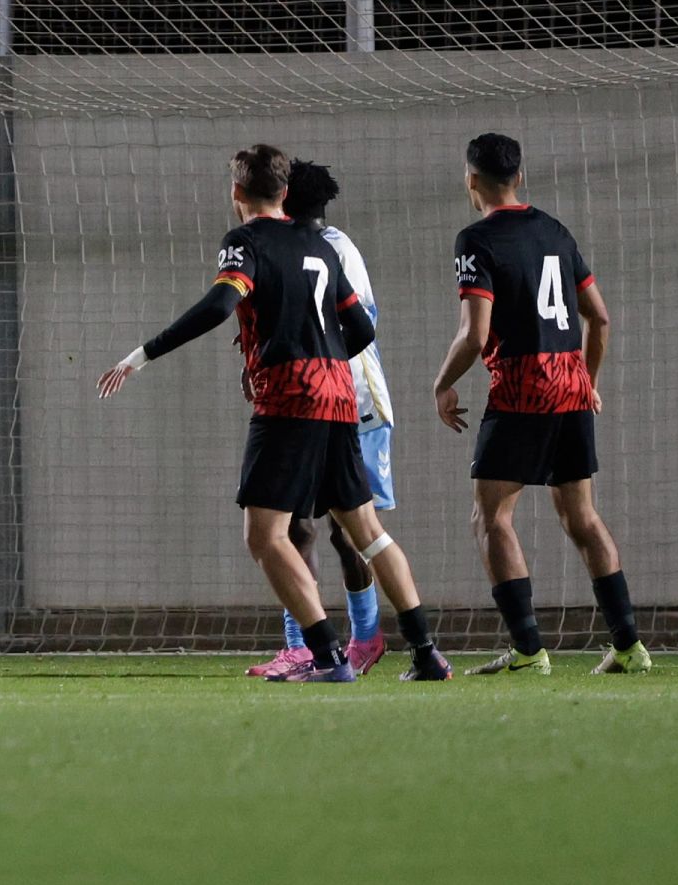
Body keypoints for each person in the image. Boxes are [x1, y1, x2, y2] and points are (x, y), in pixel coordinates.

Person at [98, 144, 451, 683]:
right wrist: (321, 351)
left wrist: (141, 355)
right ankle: (426, 653)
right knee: (367, 532)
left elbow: (219, 306)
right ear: (285, 193)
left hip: (290, 398)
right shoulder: (322, 244)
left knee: (265, 536)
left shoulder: (246, 242)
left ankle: (327, 657)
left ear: (236, 193)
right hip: (339, 397)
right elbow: (360, 329)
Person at [432, 132, 649, 675]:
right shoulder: (554, 230)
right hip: (570, 388)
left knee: (491, 516)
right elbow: (598, 317)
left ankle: (529, 651)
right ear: (520, 178)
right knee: (581, 515)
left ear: (471, 180)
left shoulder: (475, 239)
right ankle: (629, 647)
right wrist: (587, 379)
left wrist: (442, 383)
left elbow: (475, 335)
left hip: (523, 391)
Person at [247, 160, 396, 678]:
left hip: (353, 396)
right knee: (296, 525)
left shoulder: (330, 248)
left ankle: (367, 634)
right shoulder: (308, 243)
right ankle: (303, 643)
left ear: (284, 200)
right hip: (316, 395)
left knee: (348, 528)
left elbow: (358, 324)